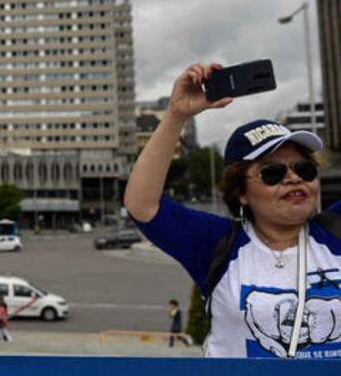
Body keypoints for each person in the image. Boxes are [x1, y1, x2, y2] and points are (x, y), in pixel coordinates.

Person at [125, 63, 341, 359]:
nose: (293, 178)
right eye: (273, 173)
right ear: (241, 191)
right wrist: (176, 115)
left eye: (303, 168)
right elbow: (143, 205)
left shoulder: (335, 231)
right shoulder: (217, 244)